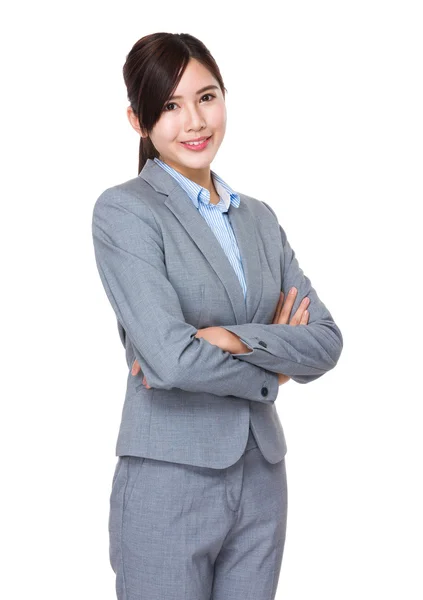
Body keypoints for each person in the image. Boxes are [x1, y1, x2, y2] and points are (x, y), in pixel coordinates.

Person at [91, 31, 343, 600]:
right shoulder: (125, 212)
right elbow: (171, 359)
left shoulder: (258, 219)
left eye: (206, 97)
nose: (195, 121)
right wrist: (274, 363)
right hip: (167, 477)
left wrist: (230, 339)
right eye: (171, 106)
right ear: (139, 120)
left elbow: (326, 341)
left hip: (262, 478)